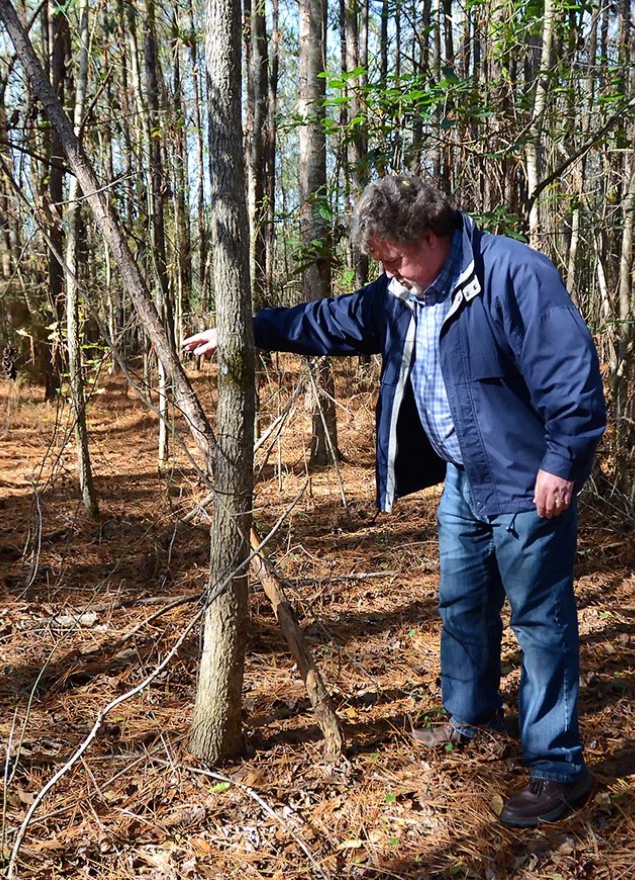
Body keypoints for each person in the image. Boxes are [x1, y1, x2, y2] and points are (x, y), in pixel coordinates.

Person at [182, 176, 606, 828]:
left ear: (432, 236)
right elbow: (330, 321)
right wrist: (246, 328)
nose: (387, 273)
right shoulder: (403, 294)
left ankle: (559, 769)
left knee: (541, 624)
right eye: (380, 263)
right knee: (463, 604)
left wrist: (562, 461)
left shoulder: (513, 274)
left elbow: (570, 373)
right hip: (465, 478)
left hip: (526, 481)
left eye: (395, 259)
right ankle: (472, 719)